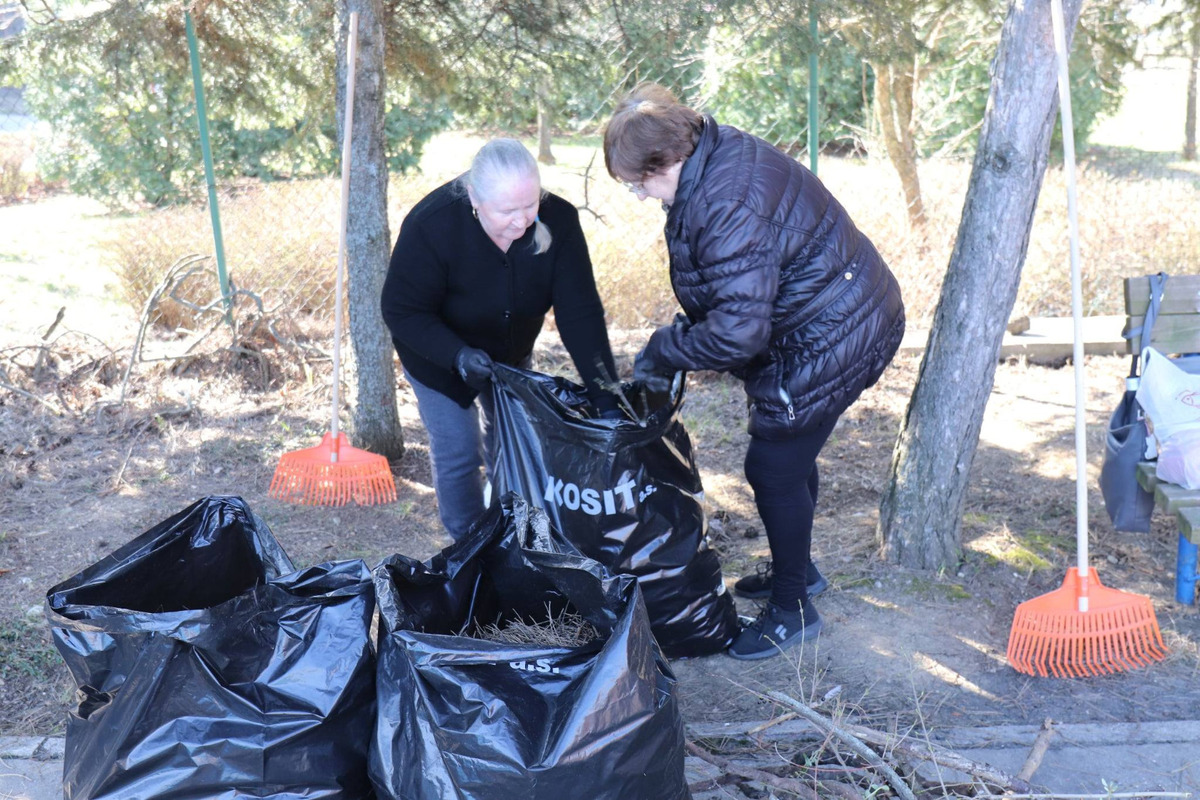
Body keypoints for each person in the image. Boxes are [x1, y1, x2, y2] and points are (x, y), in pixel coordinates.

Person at [603, 84, 905, 660]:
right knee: (787, 456)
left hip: (835, 331)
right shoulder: (715, 155)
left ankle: (793, 606)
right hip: (836, 311)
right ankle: (801, 571)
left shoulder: (724, 200)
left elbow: (740, 331)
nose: (641, 196)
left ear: (669, 159)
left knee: (772, 465)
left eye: (640, 183)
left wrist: (668, 347)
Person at [381, 138, 619, 539]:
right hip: (438, 353)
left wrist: (605, 394)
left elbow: (580, 313)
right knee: (459, 447)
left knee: (512, 442)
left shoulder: (558, 220)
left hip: (509, 351)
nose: (523, 221)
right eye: (508, 210)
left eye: (531, 204)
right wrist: (456, 356)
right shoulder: (432, 225)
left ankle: (513, 534)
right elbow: (402, 310)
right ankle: (470, 546)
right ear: (474, 196)